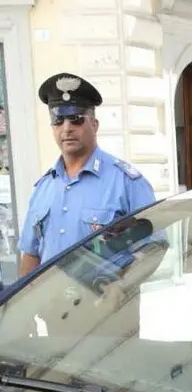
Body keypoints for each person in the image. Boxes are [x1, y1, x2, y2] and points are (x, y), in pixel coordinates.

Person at [17, 73, 156, 277]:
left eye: (76, 119)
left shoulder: (126, 183)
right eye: (58, 119)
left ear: (95, 124)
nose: (67, 128)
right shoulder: (44, 187)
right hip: (52, 307)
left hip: (107, 305)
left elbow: (152, 249)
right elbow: (31, 254)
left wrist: (122, 289)